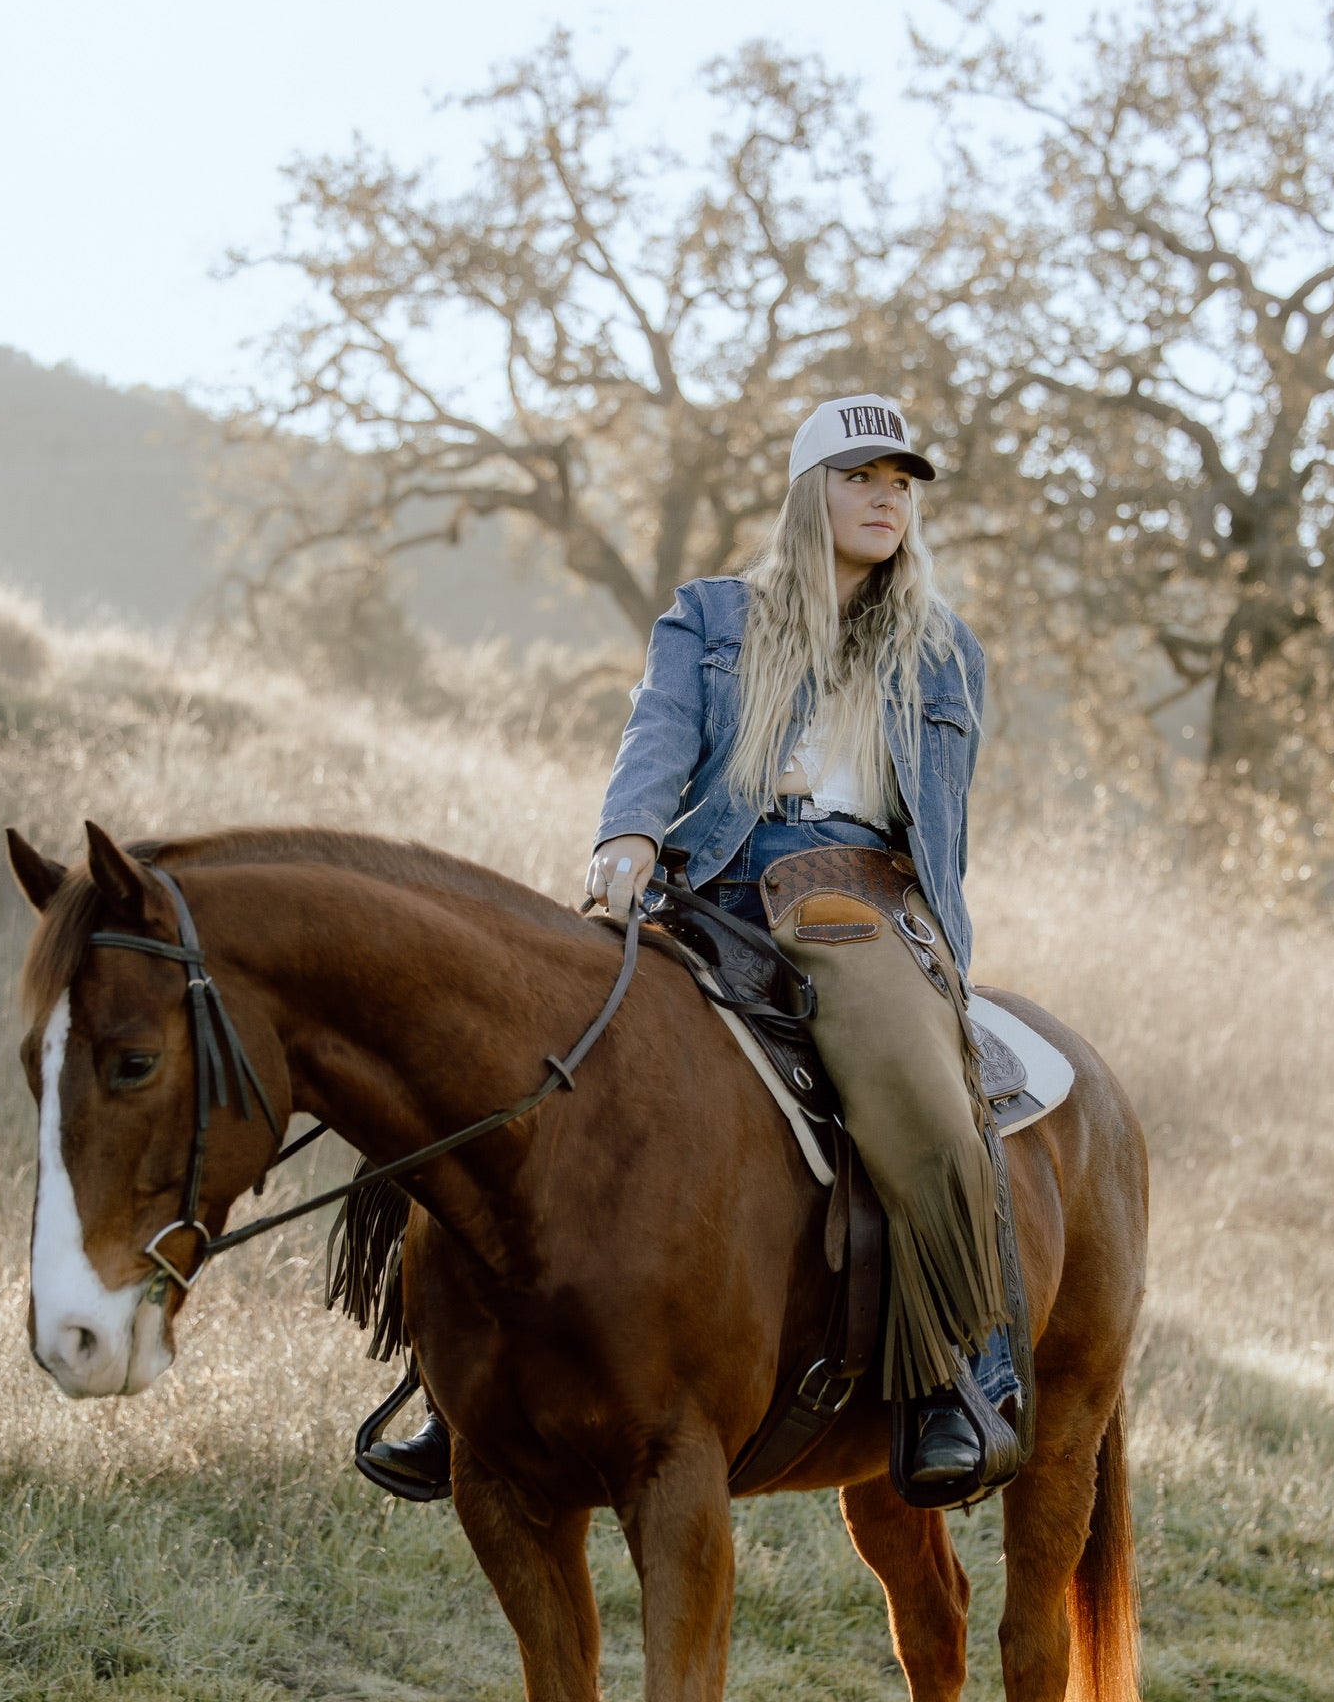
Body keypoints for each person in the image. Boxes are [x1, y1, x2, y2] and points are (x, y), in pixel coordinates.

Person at [361, 391, 1016, 1502]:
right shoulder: (711, 618)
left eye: (901, 485)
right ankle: (452, 1373)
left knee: (923, 1100)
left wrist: (936, 953)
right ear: (812, 493)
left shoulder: (945, 655)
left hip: (858, 901)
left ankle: (958, 1371)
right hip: (706, 880)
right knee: (513, 1054)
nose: (885, 501)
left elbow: (938, 830)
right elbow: (657, 732)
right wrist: (624, 835)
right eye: (861, 479)